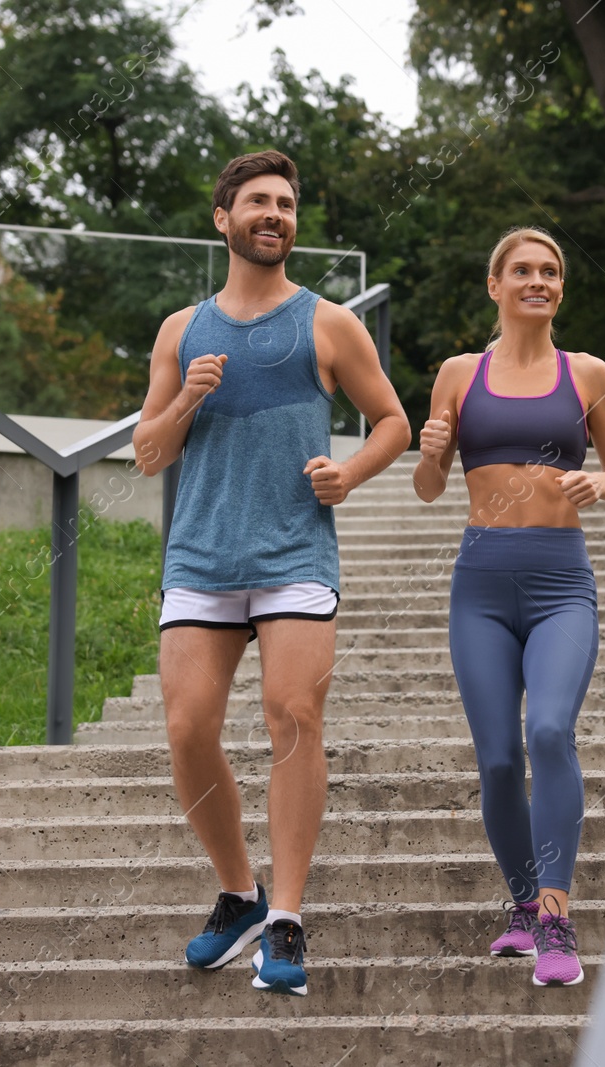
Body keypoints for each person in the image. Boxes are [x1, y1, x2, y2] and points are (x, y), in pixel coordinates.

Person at [132, 149, 410, 997]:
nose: (273, 214)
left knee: (292, 713)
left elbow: (395, 419)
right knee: (187, 728)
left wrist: (349, 473)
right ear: (222, 219)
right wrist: (187, 399)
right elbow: (148, 452)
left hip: (294, 553)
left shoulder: (329, 323)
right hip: (202, 556)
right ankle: (238, 891)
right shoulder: (182, 331)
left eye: (285, 204)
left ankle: (286, 915)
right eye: (256, 201)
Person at [411, 226, 605, 987]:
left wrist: (598, 486)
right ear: (495, 285)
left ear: (560, 289)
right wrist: (433, 449)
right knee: (499, 758)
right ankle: (518, 909)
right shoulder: (456, 373)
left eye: (550, 271)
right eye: (523, 270)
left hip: (560, 581)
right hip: (479, 585)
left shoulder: (590, 372)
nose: (538, 280)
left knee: (547, 730)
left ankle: (557, 917)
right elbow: (428, 488)